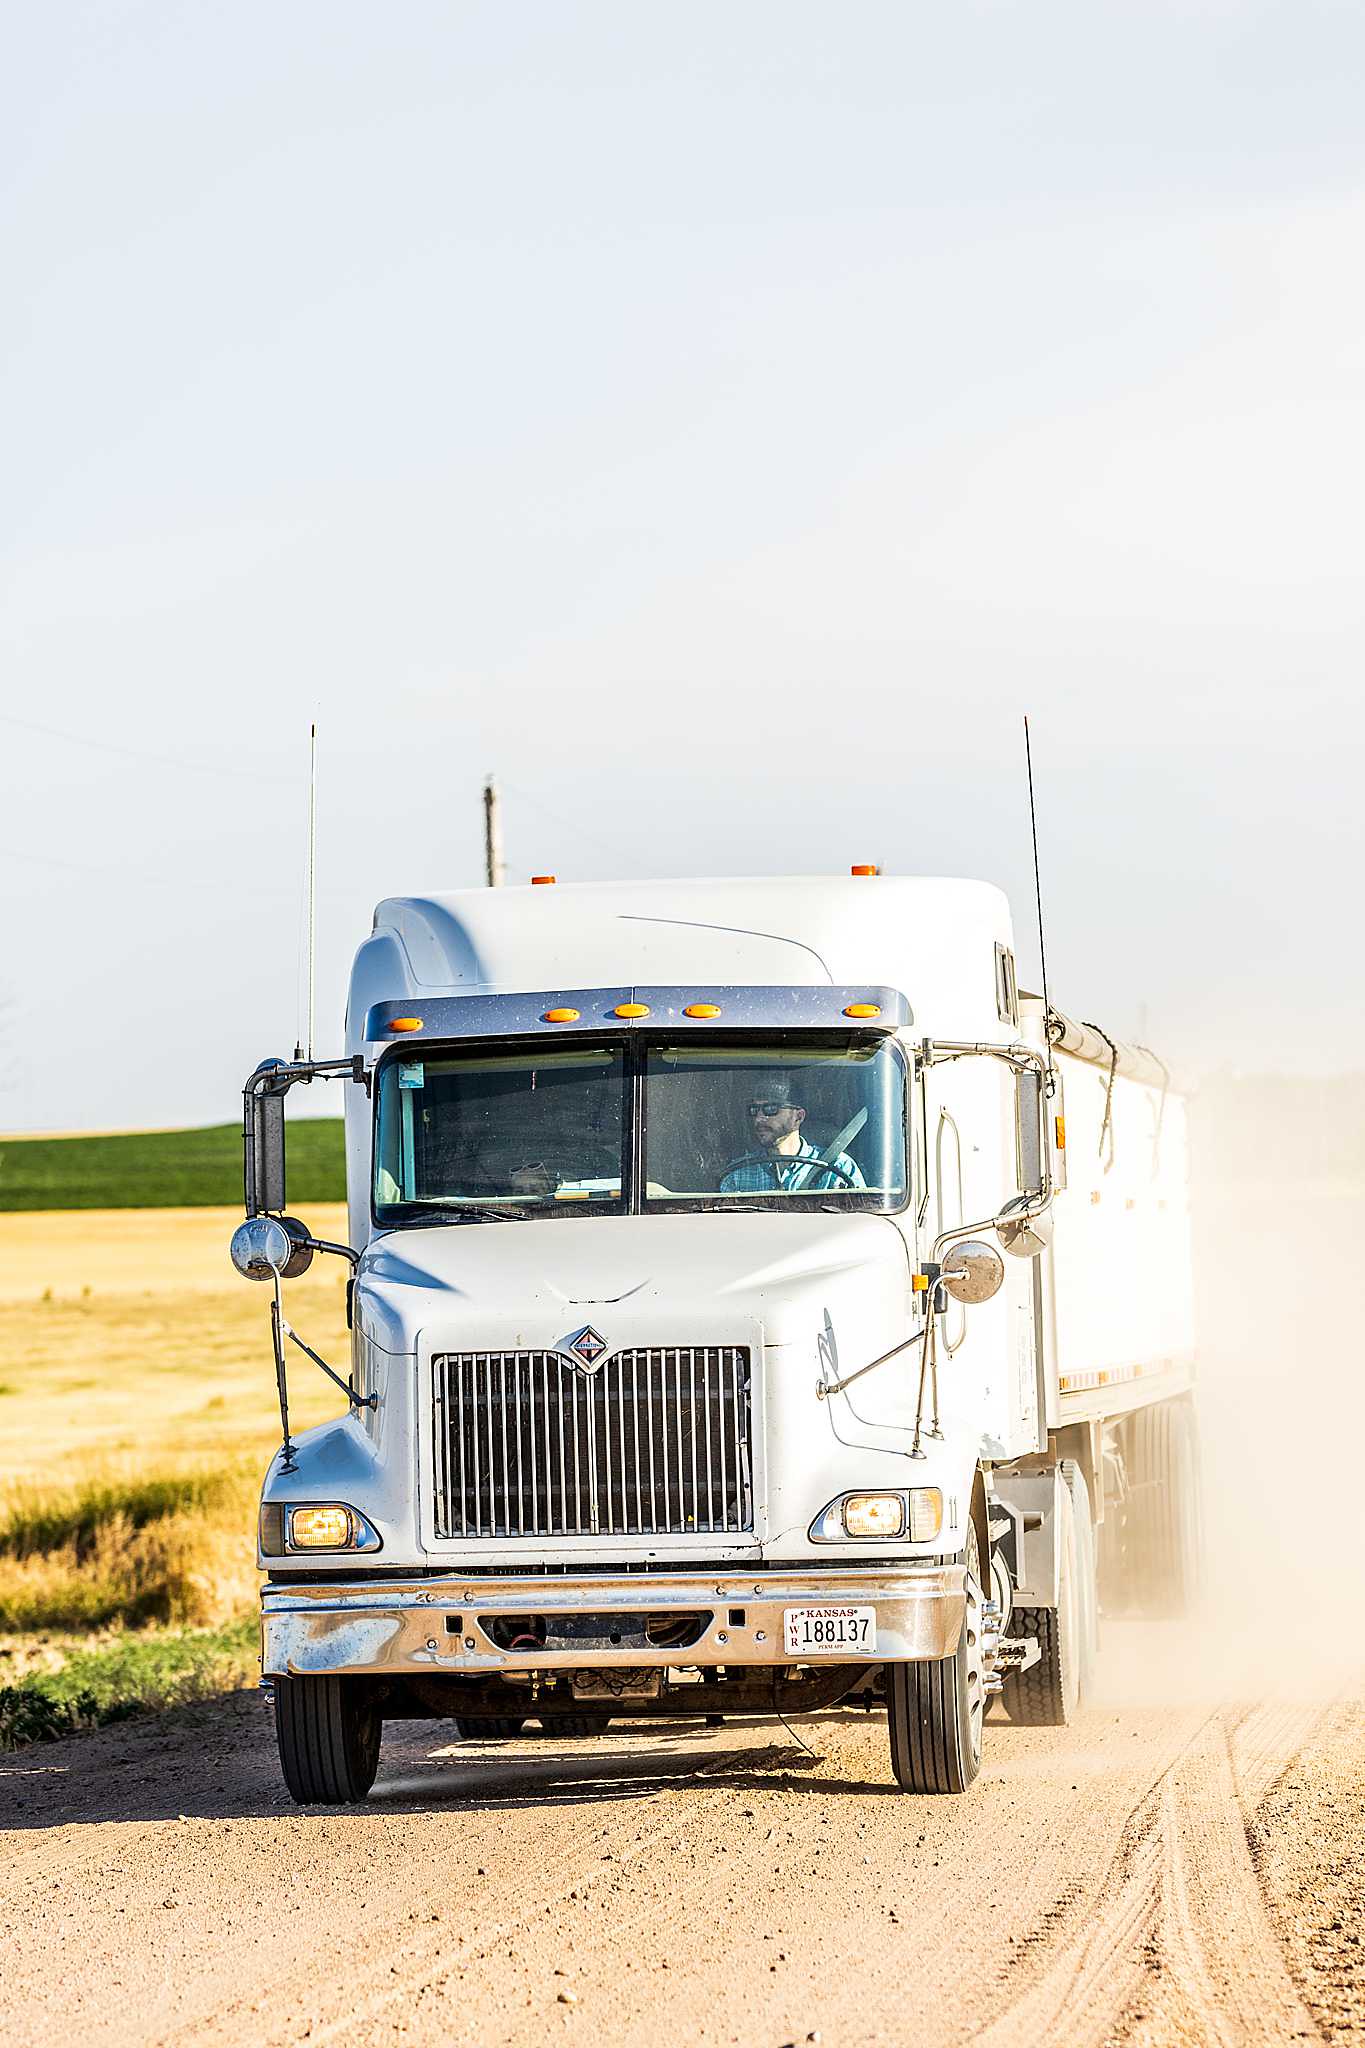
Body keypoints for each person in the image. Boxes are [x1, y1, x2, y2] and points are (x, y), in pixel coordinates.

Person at [719, 1077, 866, 1194]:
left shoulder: (837, 1168)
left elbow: (859, 1222)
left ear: (798, 1117)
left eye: (770, 1109)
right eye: (754, 1110)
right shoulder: (737, 1175)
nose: (759, 1119)